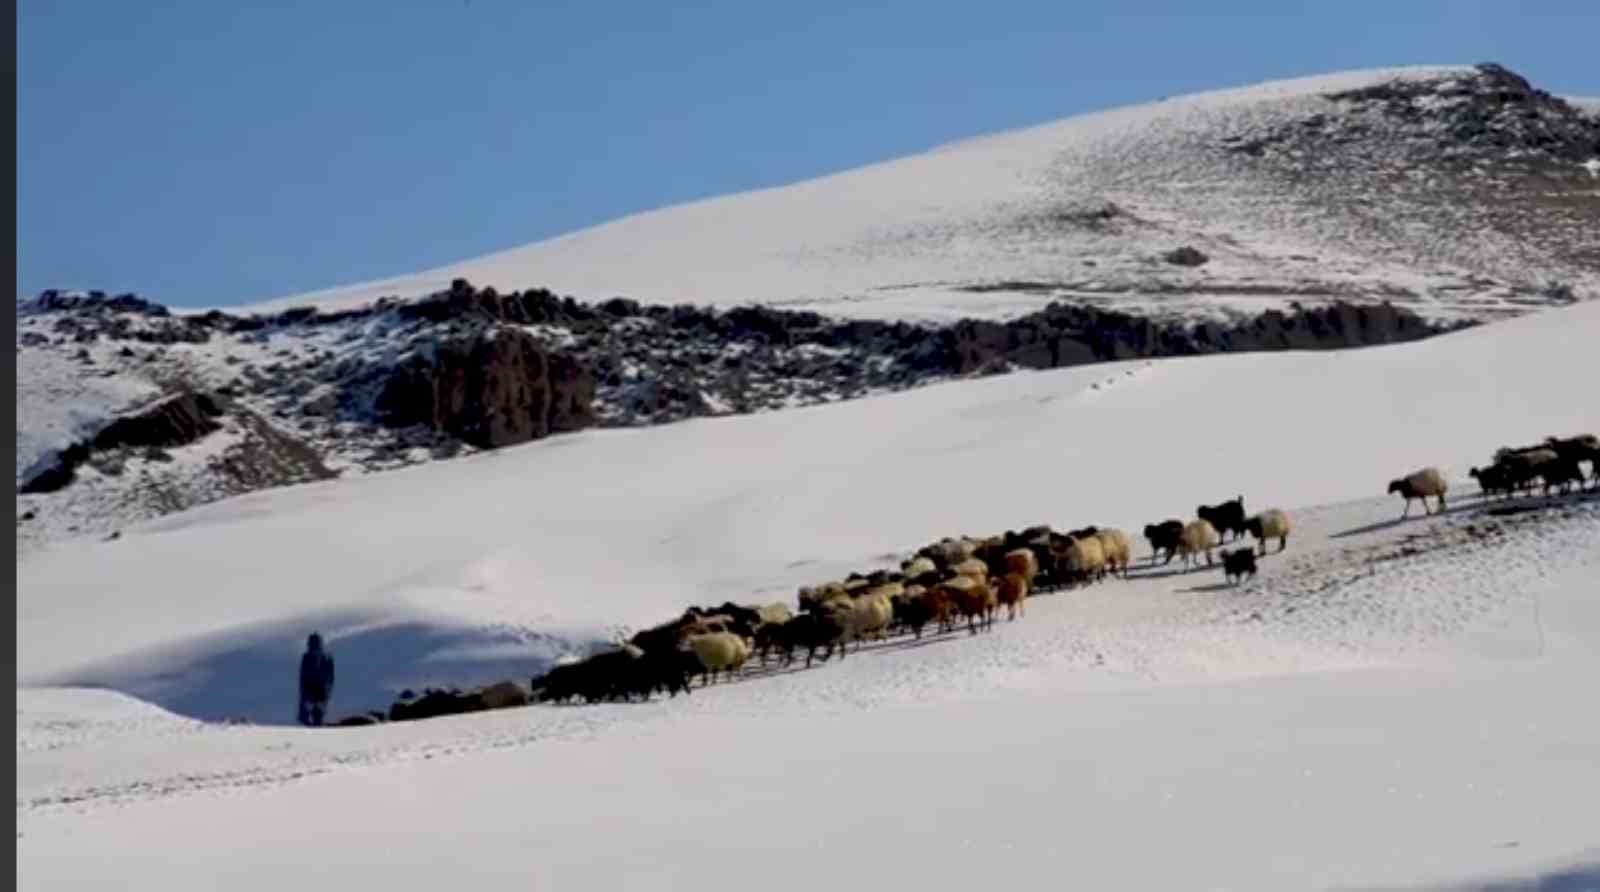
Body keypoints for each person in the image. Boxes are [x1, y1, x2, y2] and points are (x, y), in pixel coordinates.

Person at [297, 632, 336, 726]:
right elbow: (303, 677)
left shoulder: (326, 658)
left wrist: (325, 697)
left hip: (319, 692)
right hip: (310, 692)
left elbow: (329, 679)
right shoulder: (307, 657)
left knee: (316, 719)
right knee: (306, 718)